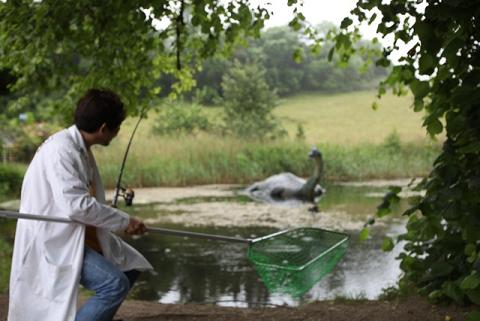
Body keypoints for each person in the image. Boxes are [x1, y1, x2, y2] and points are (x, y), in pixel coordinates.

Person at [8, 89, 153, 321]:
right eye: (117, 128)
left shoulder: (79, 147)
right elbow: (76, 205)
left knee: (131, 267)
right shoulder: (61, 150)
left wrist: (118, 221)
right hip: (53, 239)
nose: (117, 134)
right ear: (104, 128)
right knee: (114, 285)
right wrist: (124, 222)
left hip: (75, 232)